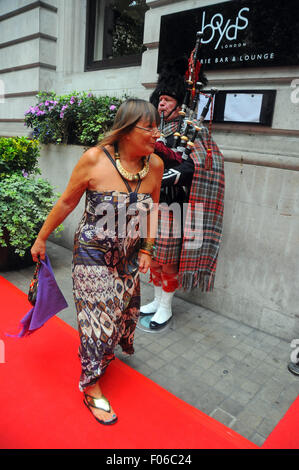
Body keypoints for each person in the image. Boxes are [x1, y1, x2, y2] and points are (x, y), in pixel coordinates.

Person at [31, 99, 164, 425]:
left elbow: (153, 210)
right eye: (150, 127)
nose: (157, 133)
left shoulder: (155, 165)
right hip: (92, 254)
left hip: (129, 258)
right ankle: (90, 385)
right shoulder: (94, 159)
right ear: (128, 130)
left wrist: (147, 249)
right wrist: (42, 237)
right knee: (96, 320)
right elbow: (66, 202)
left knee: (118, 312)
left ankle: (103, 353)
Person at [140, 58, 225, 330]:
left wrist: (166, 176)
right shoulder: (155, 128)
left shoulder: (193, 131)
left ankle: (166, 305)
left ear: (179, 102)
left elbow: (198, 164)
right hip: (151, 204)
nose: (161, 104)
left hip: (175, 204)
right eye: (159, 99)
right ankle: (155, 300)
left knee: (167, 260)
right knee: (152, 256)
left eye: (166, 99)